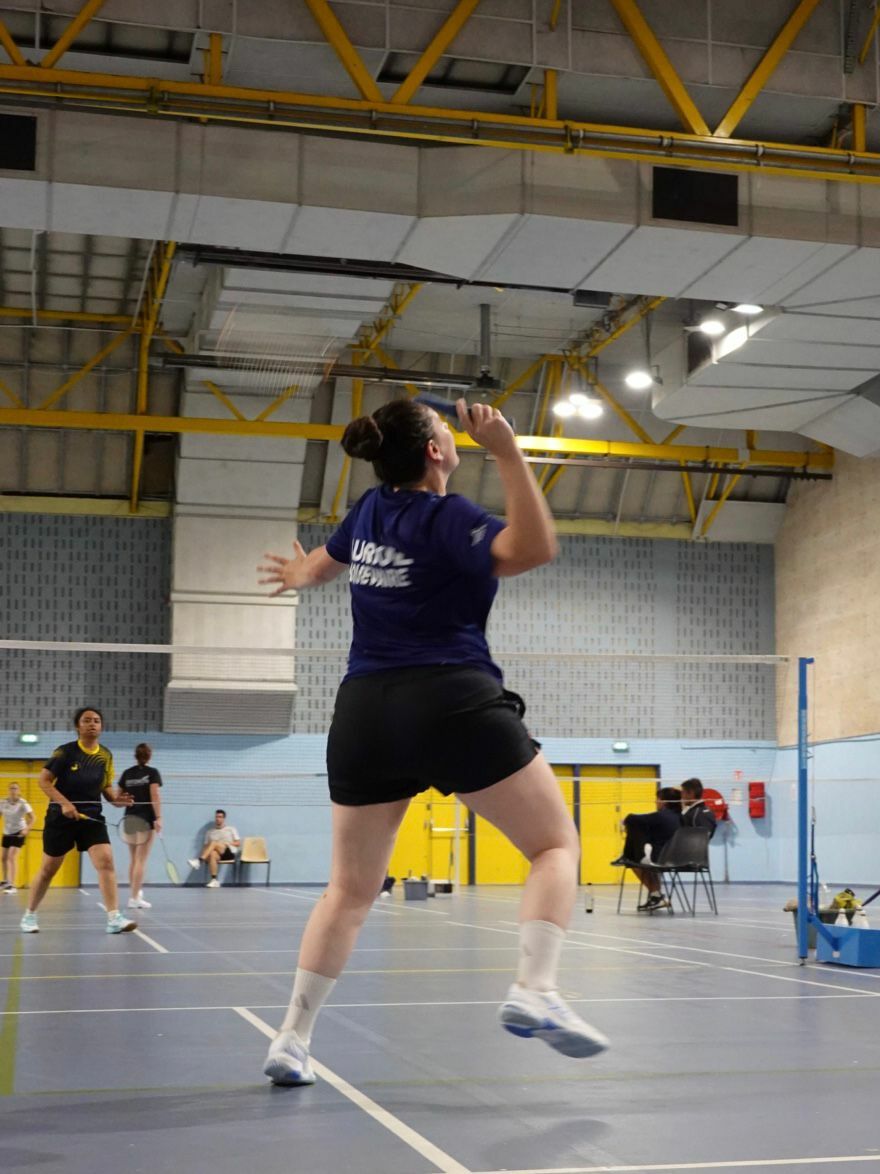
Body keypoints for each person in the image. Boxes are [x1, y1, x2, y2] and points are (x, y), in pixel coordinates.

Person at [256, 396, 609, 1087]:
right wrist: (507, 450)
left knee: (348, 891)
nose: (453, 434)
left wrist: (298, 574)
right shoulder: (449, 518)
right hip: (451, 699)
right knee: (554, 846)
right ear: (435, 453)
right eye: (447, 431)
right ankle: (535, 987)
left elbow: (322, 565)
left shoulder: (368, 511)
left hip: (364, 712)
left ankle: (291, 1039)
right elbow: (534, 549)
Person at [20, 707, 137, 934]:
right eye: (87, 720)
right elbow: (44, 781)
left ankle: (113, 917)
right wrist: (65, 803)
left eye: (96, 720)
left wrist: (116, 800)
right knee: (48, 870)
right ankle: (29, 915)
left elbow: (105, 787)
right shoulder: (65, 752)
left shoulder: (105, 755)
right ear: (78, 726)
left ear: (101, 727)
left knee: (106, 861)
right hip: (60, 818)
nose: (92, 724)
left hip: (91, 816)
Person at [612, 787, 682, 912]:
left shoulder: (661, 816)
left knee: (633, 861)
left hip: (661, 858)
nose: (655, 802)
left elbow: (633, 818)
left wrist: (626, 821)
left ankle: (656, 894)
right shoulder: (680, 817)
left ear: (664, 802)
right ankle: (656, 896)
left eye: (657, 799)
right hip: (678, 858)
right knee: (646, 857)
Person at [117, 743, 163, 910]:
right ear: (149, 756)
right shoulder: (152, 773)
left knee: (134, 859)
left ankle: (134, 894)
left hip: (129, 818)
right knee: (141, 860)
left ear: (136, 756)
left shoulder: (127, 773)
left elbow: (117, 797)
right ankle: (134, 898)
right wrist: (158, 818)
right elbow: (154, 795)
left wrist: (129, 802)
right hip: (145, 819)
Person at [188, 809, 240, 888]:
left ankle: (199, 861)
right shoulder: (209, 832)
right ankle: (214, 880)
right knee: (212, 854)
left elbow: (238, 843)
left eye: (220, 817)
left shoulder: (231, 829)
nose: (218, 819)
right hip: (218, 854)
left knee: (214, 843)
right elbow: (206, 846)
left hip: (229, 852)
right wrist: (204, 854)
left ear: (224, 818)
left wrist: (227, 843)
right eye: (216, 817)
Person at [1, 781, 34, 893]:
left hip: (19, 832)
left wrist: (27, 829)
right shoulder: (3, 802)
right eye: (11, 788)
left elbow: (33, 818)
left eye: (15, 788)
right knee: (3, 858)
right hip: (7, 832)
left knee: (11, 857)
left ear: (19, 791)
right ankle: (5, 881)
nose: (13, 790)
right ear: (8, 790)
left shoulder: (23, 803)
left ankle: (12, 885)